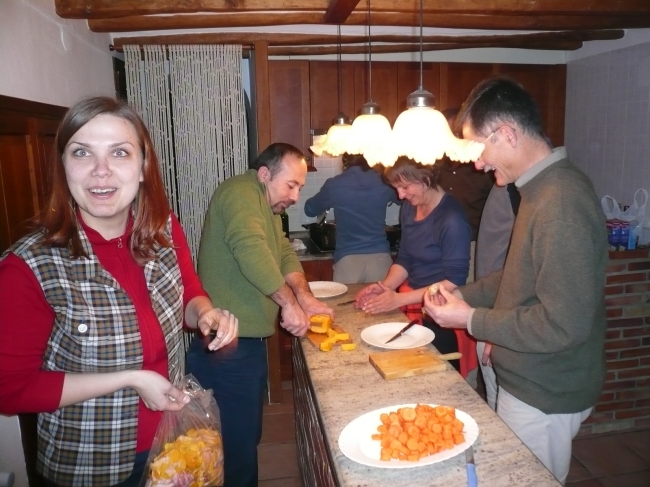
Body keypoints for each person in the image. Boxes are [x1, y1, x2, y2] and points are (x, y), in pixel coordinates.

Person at [0, 97, 239, 487]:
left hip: (172, 440)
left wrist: (205, 313)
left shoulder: (164, 228)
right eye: (82, 152)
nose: (101, 170)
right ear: (63, 165)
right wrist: (131, 378)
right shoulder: (28, 266)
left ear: (143, 168)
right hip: (92, 464)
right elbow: (9, 390)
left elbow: (188, 294)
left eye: (119, 152)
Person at [423, 76, 607, 485]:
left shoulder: (560, 202)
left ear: (506, 134)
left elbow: (563, 324)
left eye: (479, 148)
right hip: (528, 378)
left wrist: (471, 319)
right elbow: (517, 278)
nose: (478, 164)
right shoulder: (539, 190)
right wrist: (460, 293)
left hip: (544, 389)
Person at [186, 142, 334, 487]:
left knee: (244, 436)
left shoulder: (266, 206)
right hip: (223, 344)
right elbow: (251, 250)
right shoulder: (240, 192)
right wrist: (289, 304)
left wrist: (304, 296)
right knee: (234, 449)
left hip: (244, 342)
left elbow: (283, 252)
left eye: (299, 188)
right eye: (291, 185)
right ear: (265, 174)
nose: (295, 196)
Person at [355, 157, 477, 377]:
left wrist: (398, 299)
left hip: (442, 315)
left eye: (404, 187)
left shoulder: (452, 220)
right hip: (413, 308)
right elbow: (405, 258)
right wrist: (385, 287)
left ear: (425, 178)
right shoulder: (410, 209)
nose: (400, 195)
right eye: (396, 188)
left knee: (438, 380)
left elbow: (454, 281)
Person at [303, 152, 399, 283]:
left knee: (347, 297)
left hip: (348, 261)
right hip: (380, 259)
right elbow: (403, 200)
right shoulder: (384, 183)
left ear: (345, 160)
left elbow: (309, 210)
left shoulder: (334, 184)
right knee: (381, 297)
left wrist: (329, 200)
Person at [474, 183, 519, 409]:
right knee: (497, 399)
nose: (478, 166)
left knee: (500, 401)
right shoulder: (511, 188)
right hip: (495, 314)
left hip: (498, 318)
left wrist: (494, 329)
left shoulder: (515, 189)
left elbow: (518, 271)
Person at [437, 108, 494, 241]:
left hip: (472, 242)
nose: (452, 140)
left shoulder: (483, 170)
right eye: (448, 135)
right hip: (438, 241)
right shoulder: (433, 168)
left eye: (457, 134)